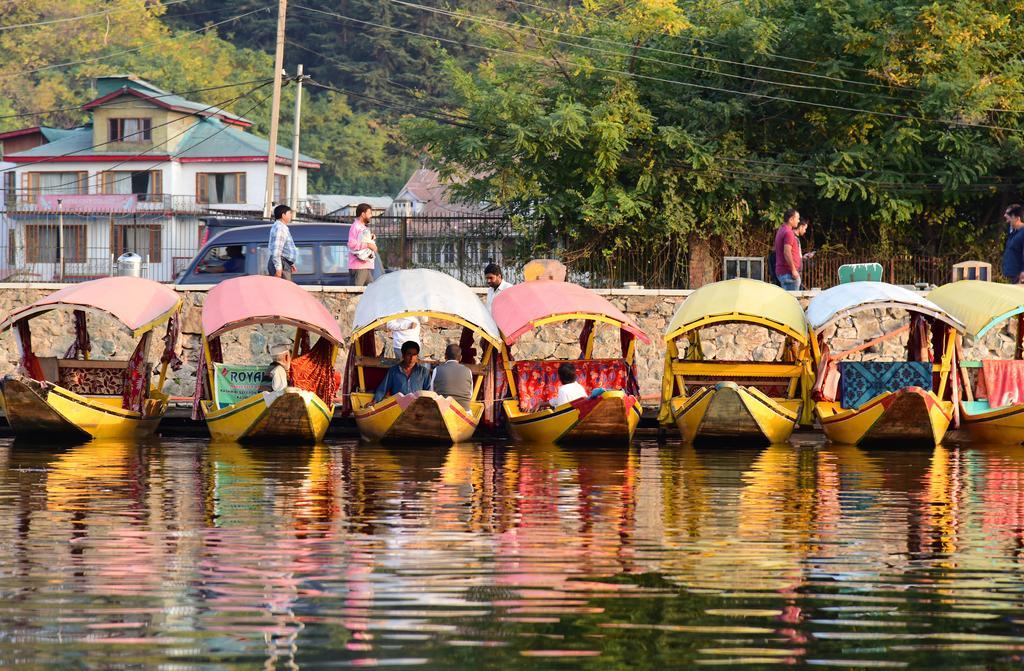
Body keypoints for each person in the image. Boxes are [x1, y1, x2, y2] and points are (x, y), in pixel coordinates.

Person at [429, 343, 474, 410]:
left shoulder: (437, 370)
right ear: (460, 357)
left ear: (445, 356)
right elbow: (470, 395)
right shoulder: (468, 371)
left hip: (443, 411)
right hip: (464, 412)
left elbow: (432, 392)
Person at [348, 203, 378, 287]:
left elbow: (361, 240)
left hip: (364, 265)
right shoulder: (356, 227)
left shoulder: (362, 227)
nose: (371, 216)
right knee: (357, 292)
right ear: (363, 214)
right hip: (359, 267)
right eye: (369, 213)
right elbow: (352, 244)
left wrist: (370, 238)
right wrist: (368, 245)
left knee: (372, 291)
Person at [774, 209, 802, 291]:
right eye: (797, 218)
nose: (798, 221)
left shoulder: (781, 230)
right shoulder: (788, 232)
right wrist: (793, 270)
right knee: (792, 302)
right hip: (788, 273)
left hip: (783, 272)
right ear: (791, 220)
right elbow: (787, 252)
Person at [268, 204, 298, 280]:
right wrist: (278, 269)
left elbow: (284, 248)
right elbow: (277, 250)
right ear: (283, 215)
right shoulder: (280, 228)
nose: (291, 215)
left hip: (284, 263)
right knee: (284, 290)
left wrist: (290, 262)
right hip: (281, 264)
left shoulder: (280, 226)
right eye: (289, 213)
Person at [1002, 204, 1024, 284]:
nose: (1005, 215)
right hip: (1013, 275)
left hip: (1020, 277)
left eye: (1007, 214)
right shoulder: (1012, 231)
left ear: (1015, 217)